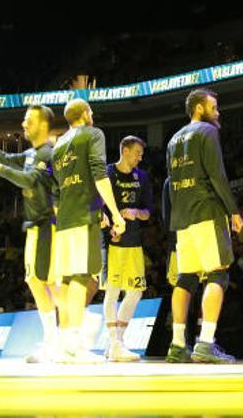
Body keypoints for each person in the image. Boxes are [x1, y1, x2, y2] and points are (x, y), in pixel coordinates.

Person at [0, 106, 60, 363]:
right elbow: (7, 158)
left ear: (43, 124)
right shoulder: (33, 153)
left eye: (28, 120)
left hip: (47, 225)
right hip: (35, 226)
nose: (23, 124)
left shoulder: (47, 153)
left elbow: (29, 180)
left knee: (46, 283)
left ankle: (61, 339)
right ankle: (59, 339)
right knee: (37, 282)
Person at [165, 88, 242, 364]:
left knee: (185, 278)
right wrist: (234, 211)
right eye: (214, 106)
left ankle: (176, 345)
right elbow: (217, 175)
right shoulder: (207, 132)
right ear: (199, 108)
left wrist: (174, 220)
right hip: (207, 211)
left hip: (182, 217)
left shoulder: (173, 139)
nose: (217, 112)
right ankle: (206, 343)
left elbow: (170, 185)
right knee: (217, 275)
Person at [51, 99, 125, 363]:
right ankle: (75, 346)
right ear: (84, 114)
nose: (92, 115)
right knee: (82, 278)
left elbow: (58, 189)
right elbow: (99, 175)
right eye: (90, 111)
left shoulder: (58, 145)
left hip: (64, 221)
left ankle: (67, 343)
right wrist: (115, 213)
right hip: (83, 218)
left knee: (70, 280)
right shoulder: (93, 134)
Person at [101, 135, 153, 362]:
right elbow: (97, 205)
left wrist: (136, 213)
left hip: (134, 241)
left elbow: (148, 212)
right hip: (111, 241)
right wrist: (106, 221)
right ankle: (114, 343)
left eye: (142, 153)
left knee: (136, 291)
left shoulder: (143, 177)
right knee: (112, 291)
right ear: (124, 150)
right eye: (137, 153)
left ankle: (117, 342)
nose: (140, 157)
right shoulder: (107, 173)